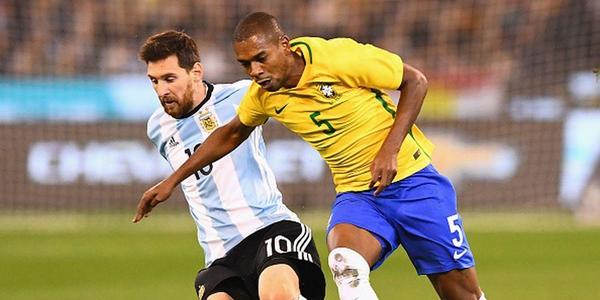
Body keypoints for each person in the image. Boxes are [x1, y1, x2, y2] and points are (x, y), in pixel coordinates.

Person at [136, 12, 487, 299]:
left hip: (413, 182)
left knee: (461, 294)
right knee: (346, 264)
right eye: (246, 65)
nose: (255, 71)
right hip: (358, 196)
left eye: (261, 58)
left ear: (284, 46)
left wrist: (389, 150)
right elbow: (229, 134)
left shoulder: (337, 56)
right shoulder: (264, 95)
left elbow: (416, 81)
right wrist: (171, 182)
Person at [132, 30, 325, 300]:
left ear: (196, 72)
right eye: (154, 81)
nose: (162, 90)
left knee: (277, 296)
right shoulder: (158, 127)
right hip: (221, 255)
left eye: (169, 79)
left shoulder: (242, 96)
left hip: (270, 228)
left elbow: (298, 89)